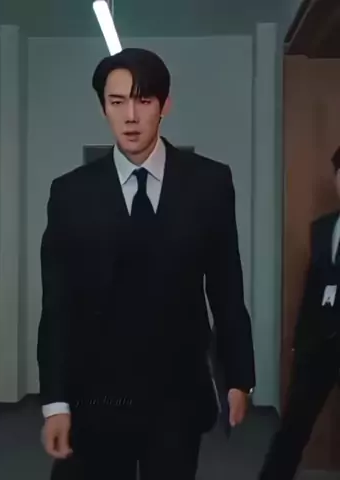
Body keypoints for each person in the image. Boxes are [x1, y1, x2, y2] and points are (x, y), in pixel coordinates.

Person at [37, 47, 256, 480]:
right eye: (117, 102)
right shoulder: (71, 193)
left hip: (177, 393)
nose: (131, 116)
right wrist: (55, 402)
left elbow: (226, 286)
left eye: (144, 100)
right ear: (103, 108)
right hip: (96, 394)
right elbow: (58, 304)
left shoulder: (209, 182)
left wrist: (239, 375)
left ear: (164, 105)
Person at [258, 146, 340, 480]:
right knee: (293, 428)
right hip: (318, 345)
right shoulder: (323, 228)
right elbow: (312, 288)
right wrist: (300, 341)